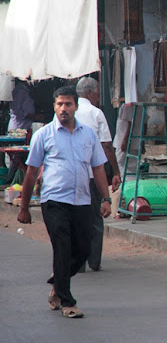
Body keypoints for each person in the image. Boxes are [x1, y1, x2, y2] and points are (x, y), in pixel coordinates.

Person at [17, 86, 112, 319]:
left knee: (83, 249)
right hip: (54, 201)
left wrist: (107, 198)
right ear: (54, 107)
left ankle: (57, 281)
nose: (64, 108)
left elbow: (98, 168)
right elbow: (30, 173)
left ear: (76, 107)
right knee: (62, 247)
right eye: (59, 104)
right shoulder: (44, 135)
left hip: (82, 201)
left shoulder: (88, 135)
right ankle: (67, 301)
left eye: (68, 104)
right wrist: (24, 207)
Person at [75, 76, 121, 271]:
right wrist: (116, 171)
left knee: (76, 218)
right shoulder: (96, 113)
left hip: (73, 175)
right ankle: (94, 261)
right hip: (93, 175)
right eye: (97, 93)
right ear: (90, 93)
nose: (97, 97)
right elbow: (107, 146)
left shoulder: (67, 112)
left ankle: (78, 262)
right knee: (95, 217)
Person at [6, 79, 45, 182]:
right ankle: (10, 180)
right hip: (17, 128)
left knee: (21, 157)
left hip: (25, 128)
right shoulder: (20, 90)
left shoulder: (27, 90)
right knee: (16, 157)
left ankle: (17, 179)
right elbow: (16, 110)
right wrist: (34, 116)